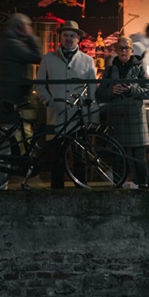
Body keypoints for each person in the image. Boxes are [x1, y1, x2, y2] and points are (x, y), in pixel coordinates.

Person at [35, 20, 98, 188]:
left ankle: (81, 190)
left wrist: (93, 114)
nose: (69, 38)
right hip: (56, 114)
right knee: (56, 157)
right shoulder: (48, 58)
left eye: (72, 35)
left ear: (78, 38)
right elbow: (39, 84)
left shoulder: (87, 61)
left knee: (80, 157)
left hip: (78, 115)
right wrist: (49, 101)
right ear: (60, 37)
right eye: (65, 35)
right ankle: (57, 191)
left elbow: (92, 89)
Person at [0, 12, 43, 189]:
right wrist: (31, 37)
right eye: (27, 26)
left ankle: (27, 180)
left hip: (16, 102)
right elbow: (37, 56)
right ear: (20, 26)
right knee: (9, 145)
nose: (30, 29)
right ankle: (1, 185)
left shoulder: (9, 42)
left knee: (23, 142)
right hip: (11, 103)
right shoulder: (11, 43)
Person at [96, 35, 149, 188]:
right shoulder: (110, 69)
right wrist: (112, 91)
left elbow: (148, 91)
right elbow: (100, 94)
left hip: (135, 116)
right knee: (117, 155)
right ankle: (118, 185)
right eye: (120, 48)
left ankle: (143, 185)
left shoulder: (139, 68)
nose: (123, 51)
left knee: (138, 154)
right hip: (116, 116)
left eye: (126, 48)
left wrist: (132, 89)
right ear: (116, 50)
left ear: (131, 50)